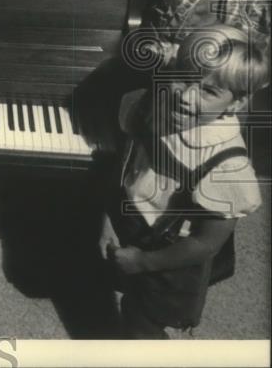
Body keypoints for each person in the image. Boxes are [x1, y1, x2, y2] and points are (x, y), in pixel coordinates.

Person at [99, 24, 267, 338]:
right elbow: (129, 159)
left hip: (171, 253)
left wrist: (145, 263)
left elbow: (205, 243)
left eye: (209, 90)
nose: (186, 97)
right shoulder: (157, 102)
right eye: (184, 78)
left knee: (143, 322)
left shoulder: (227, 168)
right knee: (119, 281)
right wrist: (106, 219)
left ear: (236, 103)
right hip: (133, 218)